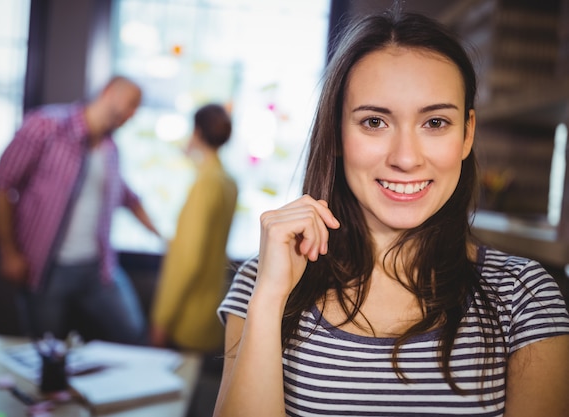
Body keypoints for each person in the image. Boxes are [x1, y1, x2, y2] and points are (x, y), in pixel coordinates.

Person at [213, 9, 569, 417]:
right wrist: (271, 296)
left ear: (467, 133)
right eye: (375, 121)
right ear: (337, 134)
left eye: (435, 122)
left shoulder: (523, 296)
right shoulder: (264, 281)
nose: (405, 158)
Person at [0, 76, 160, 346]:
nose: (133, 114)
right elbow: (2, 185)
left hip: (98, 267)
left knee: (133, 333)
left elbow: (128, 198)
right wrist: (8, 252)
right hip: (46, 269)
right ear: (109, 92)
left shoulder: (111, 149)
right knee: (47, 352)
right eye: (132, 104)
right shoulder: (46, 126)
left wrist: (163, 236)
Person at [150, 103, 237, 352]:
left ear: (197, 132)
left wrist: (162, 319)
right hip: (213, 304)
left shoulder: (205, 185)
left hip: (188, 313)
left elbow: (188, 259)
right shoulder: (228, 181)